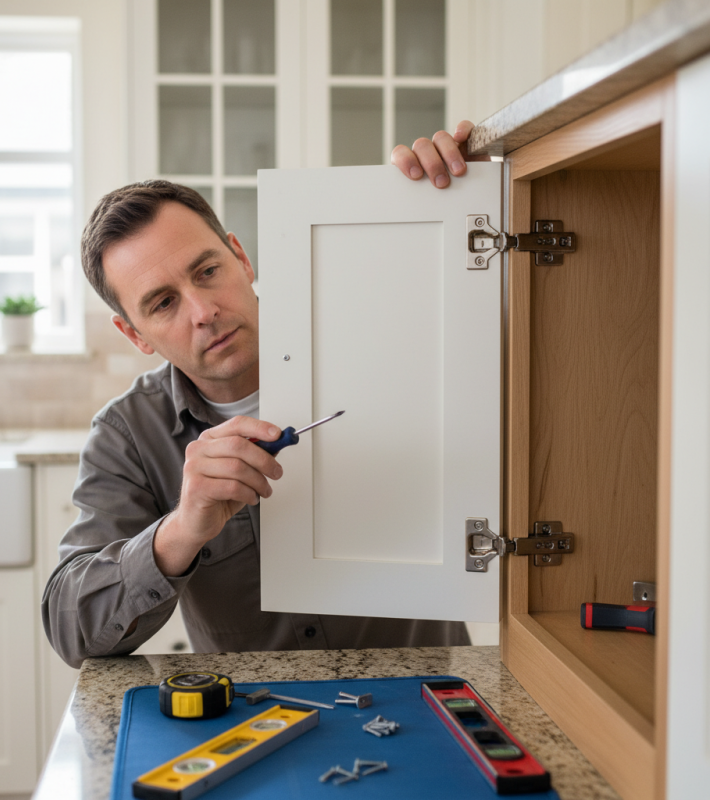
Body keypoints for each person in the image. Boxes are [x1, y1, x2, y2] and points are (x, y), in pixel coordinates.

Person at [43, 123, 481, 668]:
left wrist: (459, 194)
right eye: (162, 304)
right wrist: (181, 531)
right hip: (257, 719)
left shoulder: (381, 342)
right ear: (134, 335)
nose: (203, 312)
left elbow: (495, 331)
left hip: (431, 693)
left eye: (207, 271)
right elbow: (71, 628)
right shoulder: (128, 435)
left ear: (241, 259)